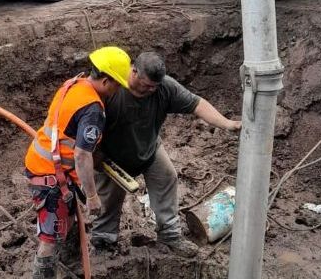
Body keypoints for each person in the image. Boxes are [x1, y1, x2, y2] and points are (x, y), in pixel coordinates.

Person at [91, 51, 241, 257]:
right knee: (109, 199)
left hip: (149, 148)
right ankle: (104, 240)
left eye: (155, 86)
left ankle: (169, 235)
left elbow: (197, 104)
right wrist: (94, 153)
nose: (151, 90)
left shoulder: (163, 87)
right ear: (133, 71)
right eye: (146, 85)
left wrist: (227, 123)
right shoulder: (113, 88)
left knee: (167, 177)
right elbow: (84, 122)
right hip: (111, 156)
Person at [24, 46, 131, 279]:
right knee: (50, 236)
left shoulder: (74, 83)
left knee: (68, 221)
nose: (117, 92)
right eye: (117, 85)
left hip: (44, 162)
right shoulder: (93, 109)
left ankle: (71, 264)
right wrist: (92, 196)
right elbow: (82, 155)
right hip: (50, 175)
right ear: (106, 80)